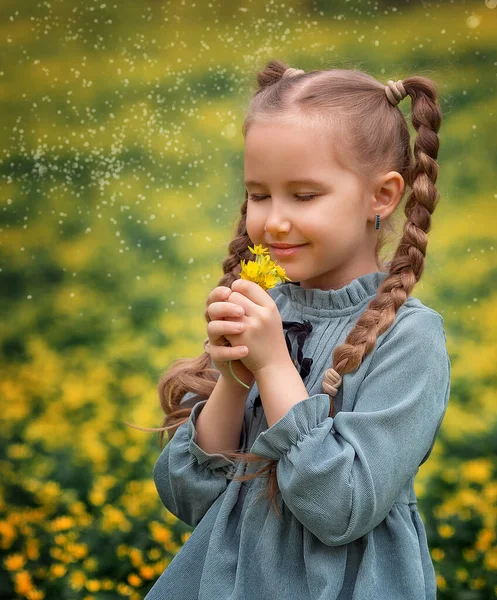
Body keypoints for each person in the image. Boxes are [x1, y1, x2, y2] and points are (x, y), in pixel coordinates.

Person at [143, 60, 451, 599]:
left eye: (304, 196)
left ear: (381, 197)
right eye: (259, 194)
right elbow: (191, 499)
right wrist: (233, 380)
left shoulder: (409, 339)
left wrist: (274, 366)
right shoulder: (265, 306)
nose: (274, 220)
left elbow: (340, 509)